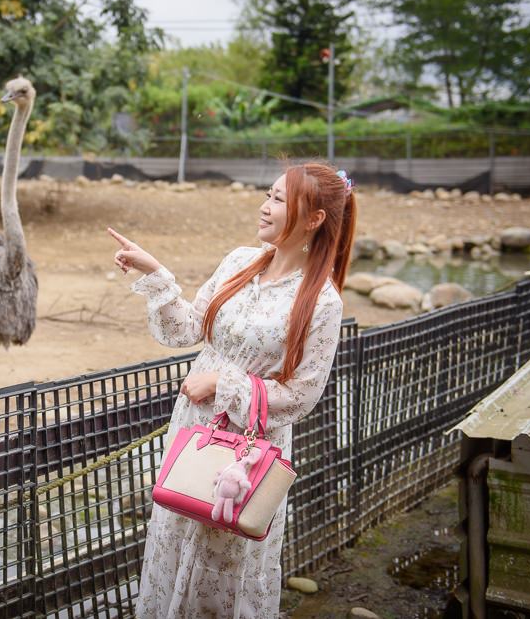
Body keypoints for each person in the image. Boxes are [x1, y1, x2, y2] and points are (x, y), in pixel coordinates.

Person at [107, 162, 357, 618]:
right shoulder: (239, 261)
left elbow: (302, 396)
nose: (264, 207)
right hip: (194, 433)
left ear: (314, 219)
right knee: (174, 539)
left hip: (247, 451)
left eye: (279, 200)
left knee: (222, 557)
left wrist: (224, 383)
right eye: (268, 195)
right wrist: (157, 273)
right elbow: (187, 329)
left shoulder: (322, 301)